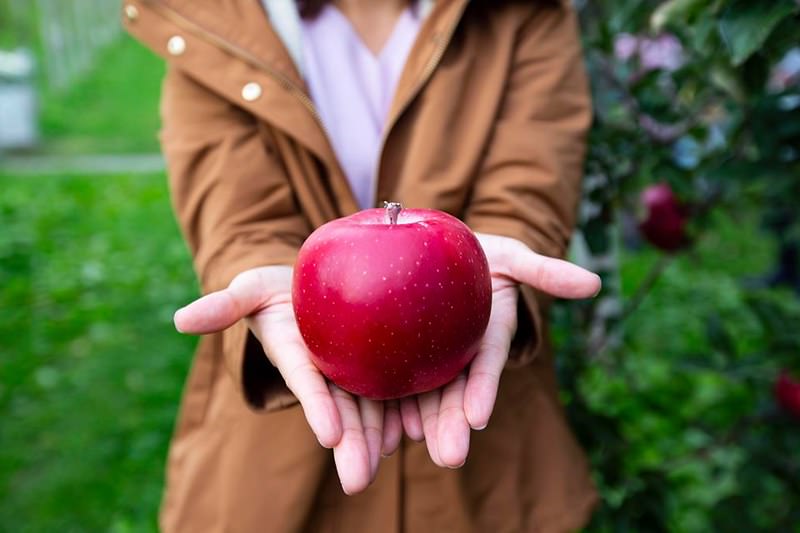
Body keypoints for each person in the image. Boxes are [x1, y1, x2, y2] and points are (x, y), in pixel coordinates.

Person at [123, 0, 601, 530]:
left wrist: (507, 248)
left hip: (490, 450)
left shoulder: (521, 12)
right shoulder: (210, 19)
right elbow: (240, 218)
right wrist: (270, 279)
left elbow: (526, 186)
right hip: (281, 454)